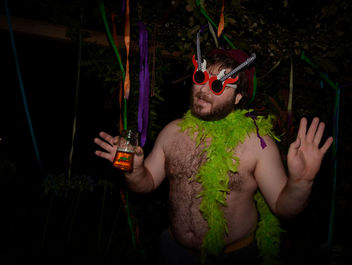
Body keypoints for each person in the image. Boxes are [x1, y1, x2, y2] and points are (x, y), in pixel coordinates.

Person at [94, 49, 333, 265]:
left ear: (238, 97)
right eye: (201, 78)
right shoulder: (172, 132)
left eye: (218, 86)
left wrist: (302, 183)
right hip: (173, 250)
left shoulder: (256, 143)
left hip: (233, 258)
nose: (204, 90)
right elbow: (145, 185)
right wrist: (134, 170)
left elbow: (284, 207)